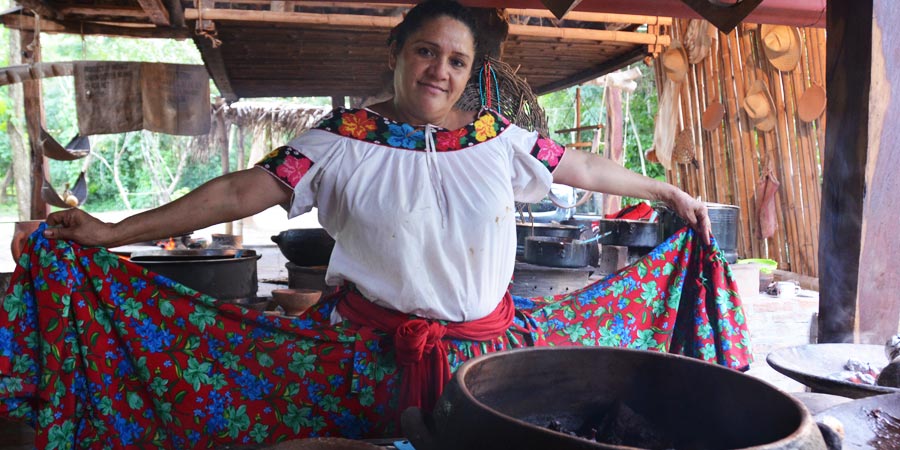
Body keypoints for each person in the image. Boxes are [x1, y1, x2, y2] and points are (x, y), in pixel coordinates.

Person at [0, 1, 750, 447]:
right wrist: (112, 232)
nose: (440, 71)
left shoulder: (497, 138)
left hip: (485, 364)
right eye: (426, 51)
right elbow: (237, 192)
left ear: (470, 72)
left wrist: (663, 190)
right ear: (395, 53)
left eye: (457, 61)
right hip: (363, 361)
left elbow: (584, 169)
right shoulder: (335, 143)